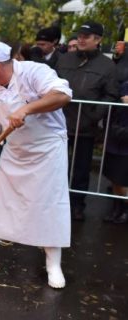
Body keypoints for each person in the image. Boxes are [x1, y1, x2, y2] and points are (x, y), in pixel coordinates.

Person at [0, 41, 72, 288]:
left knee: (49, 203)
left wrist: (26, 109)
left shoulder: (33, 72)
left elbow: (62, 95)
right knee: (2, 198)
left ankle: (53, 264)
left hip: (47, 148)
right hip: (15, 149)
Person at [55, 21, 119, 221]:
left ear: (98, 40)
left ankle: (77, 205)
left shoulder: (107, 66)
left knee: (81, 169)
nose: (81, 39)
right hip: (59, 124)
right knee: (56, 166)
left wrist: (94, 115)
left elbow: (111, 94)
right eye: (79, 35)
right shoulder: (65, 59)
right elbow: (52, 84)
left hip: (86, 126)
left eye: (86, 36)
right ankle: (56, 203)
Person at [101, 82, 128, 224]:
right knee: (114, 178)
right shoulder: (123, 85)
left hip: (125, 143)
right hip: (115, 139)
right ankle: (117, 207)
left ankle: (125, 209)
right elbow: (111, 105)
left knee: (124, 180)